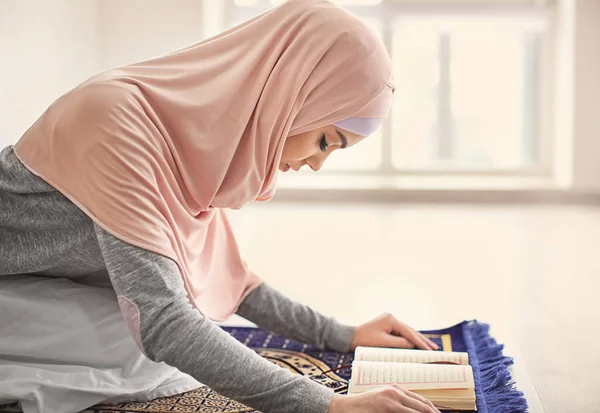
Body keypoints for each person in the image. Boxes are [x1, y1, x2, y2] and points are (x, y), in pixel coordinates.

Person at [0, 1, 441, 412]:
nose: (317, 164)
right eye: (325, 140)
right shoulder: (117, 124)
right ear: (290, 93)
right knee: (138, 344)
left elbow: (229, 280)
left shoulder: (193, 139)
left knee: (153, 338)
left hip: (37, 283)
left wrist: (340, 335)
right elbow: (165, 323)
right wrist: (327, 404)